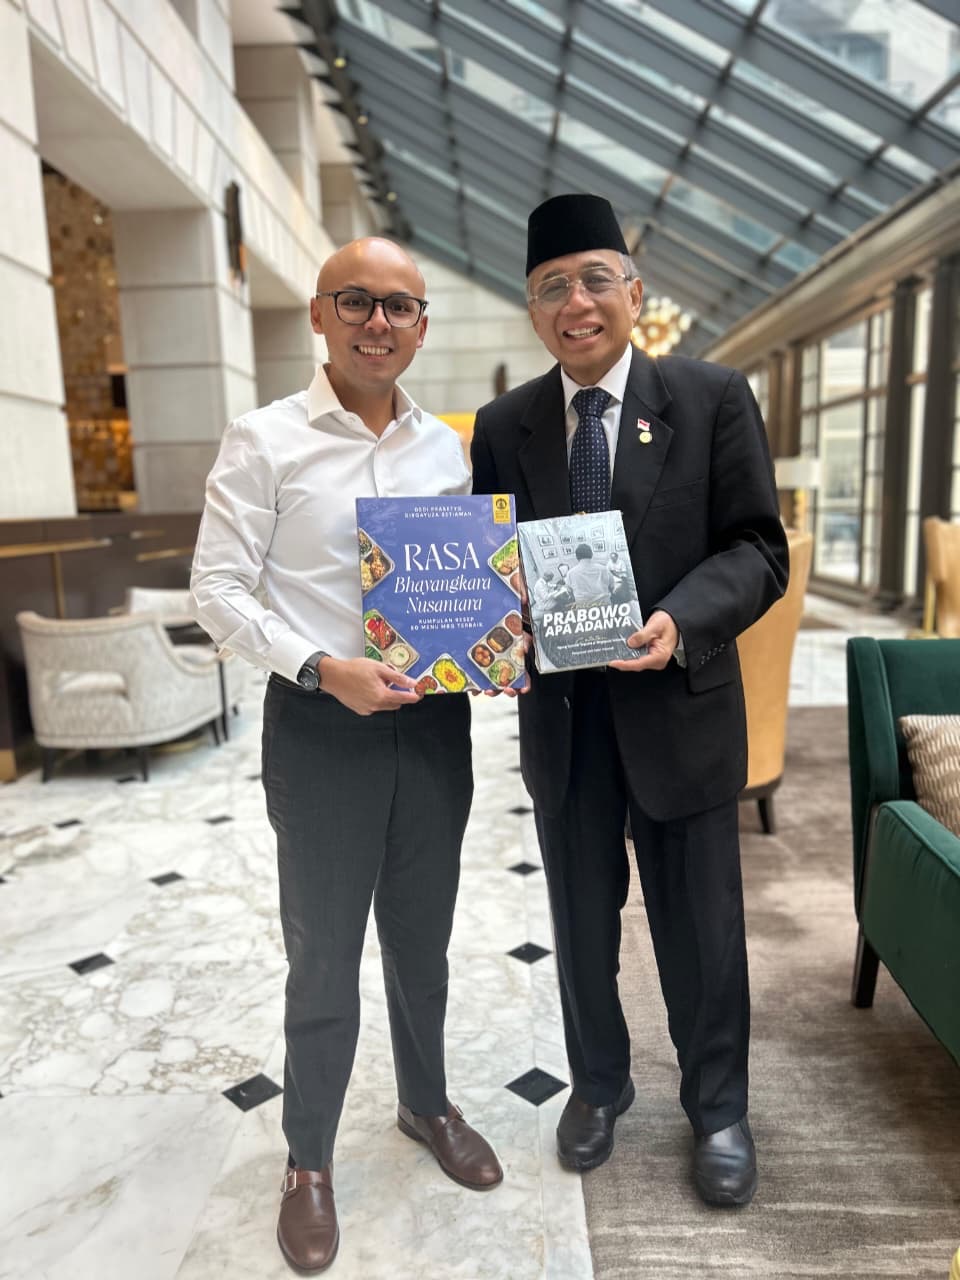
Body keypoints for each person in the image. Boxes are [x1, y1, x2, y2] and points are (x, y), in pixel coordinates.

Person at [191, 237, 502, 1275]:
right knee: (323, 954)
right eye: (357, 301)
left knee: (423, 940)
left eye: (399, 306)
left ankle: (426, 1103)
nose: (379, 321)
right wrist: (323, 667)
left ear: (422, 325)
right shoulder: (264, 438)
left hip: (434, 726)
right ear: (321, 315)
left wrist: (497, 640)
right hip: (322, 726)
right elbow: (216, 589)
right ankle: (309, 1161)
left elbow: (469, 582)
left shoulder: (447, 451)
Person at [471, 193, 788, 1207]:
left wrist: (679, 619)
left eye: (594, 279)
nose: (576, 302)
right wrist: (489, 629)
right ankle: (599, 1085)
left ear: (634, 293)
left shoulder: (710, 397)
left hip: (680, 711)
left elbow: (758, 549)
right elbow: (491, 569)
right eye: (551, 287)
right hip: (566, 727)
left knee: (702, 927)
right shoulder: (505, 426)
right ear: (533, 309)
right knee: (580, 924)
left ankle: (719, 1107)